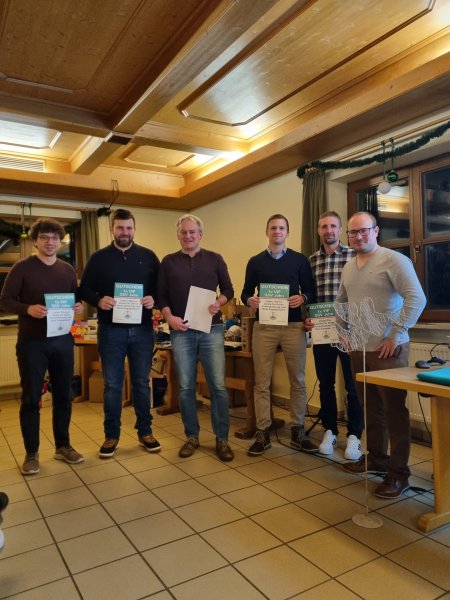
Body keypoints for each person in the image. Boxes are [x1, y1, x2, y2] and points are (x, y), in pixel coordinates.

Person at [336, 211, 426, 498]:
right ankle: (376, 458)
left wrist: (396, 334)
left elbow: (417, 298)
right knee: (370, 409)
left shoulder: (394, 260)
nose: (358, 236)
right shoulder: (349, 267)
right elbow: (341, 301)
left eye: (364, 230)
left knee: (394, 412)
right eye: (353, 232)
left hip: (388, 350)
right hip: (359, 350)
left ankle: (399, 474)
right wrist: (342, 331)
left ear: (376, 231)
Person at [0, 218, 84, 475]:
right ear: (35, 241)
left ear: (60, 241)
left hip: (62, 341)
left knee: (64, 395)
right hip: (32, 343)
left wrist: (78, 308)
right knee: (31, 398)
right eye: (45, 237)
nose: (50, 242)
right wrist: (27, 309)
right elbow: (5, 300)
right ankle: (31, 453)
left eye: (55, 238)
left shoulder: (67, 270)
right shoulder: (22, 267)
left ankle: (63, 446)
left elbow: (75, 301)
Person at [79, 208, 160, 458]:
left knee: (141, 383)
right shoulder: (98, 258)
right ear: (112, 229)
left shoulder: (148, 256)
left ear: (134, 229)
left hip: (142, 330)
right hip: (110, 331)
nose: (124, 232)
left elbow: (160, 288)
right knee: (113, 385)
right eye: (120, 227)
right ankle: (111, 435)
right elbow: (84, 289)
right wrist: (98, 300)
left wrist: (153, 299)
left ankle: (145, 432)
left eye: (129, 228)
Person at [158, 214, 235, 462]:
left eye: (192, 232)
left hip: (212, 329)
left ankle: (222, 439)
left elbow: (229, 290)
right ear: (178, 235)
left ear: (200, 234)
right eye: (184, 232)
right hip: (181, 331)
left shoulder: (215, 259)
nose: (188, 236)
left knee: (218, 386)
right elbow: (161, 296)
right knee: (186, 388)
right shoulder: (168, 262)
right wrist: (169, 318)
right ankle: (191, 436)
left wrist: (219, 302)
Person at [241, 214, 317, 456]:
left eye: (282, 228)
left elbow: (311, 291)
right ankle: (263, 431)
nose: (277, 231)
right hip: (264, 327)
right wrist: (250, 300)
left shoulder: (299, 260)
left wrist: (302, 298)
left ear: (287, 232)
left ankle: (297, 429)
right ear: (267, 231)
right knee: (261, 382)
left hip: (294, 326)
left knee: (298, 380)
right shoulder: (255, 262)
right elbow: (245, 292)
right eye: (273, 227)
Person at [308, 211, 363, 459]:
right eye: (324, 226)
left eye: (333, 226)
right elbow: (310, 295)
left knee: (353, 386)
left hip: (351, 333)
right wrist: (307, 317)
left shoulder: (354, 256)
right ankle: (329, 430)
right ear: (319, 230)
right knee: (326, 384)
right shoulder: (311, 261)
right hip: (323, 333)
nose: (328, 230)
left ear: (340, 230)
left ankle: (354, 435)